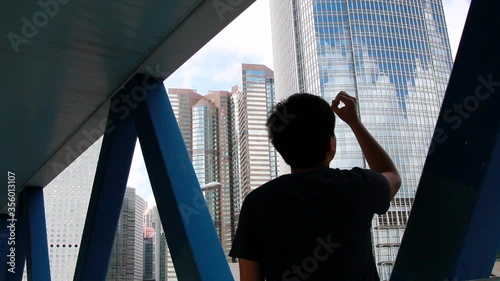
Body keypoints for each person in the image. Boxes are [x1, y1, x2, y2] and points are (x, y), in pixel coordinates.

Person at [229, 91, 402, 281]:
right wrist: (354, 122)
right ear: (331, 145)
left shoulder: (257, 203)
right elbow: (392, 176)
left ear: (281, 150)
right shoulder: (359, 185)